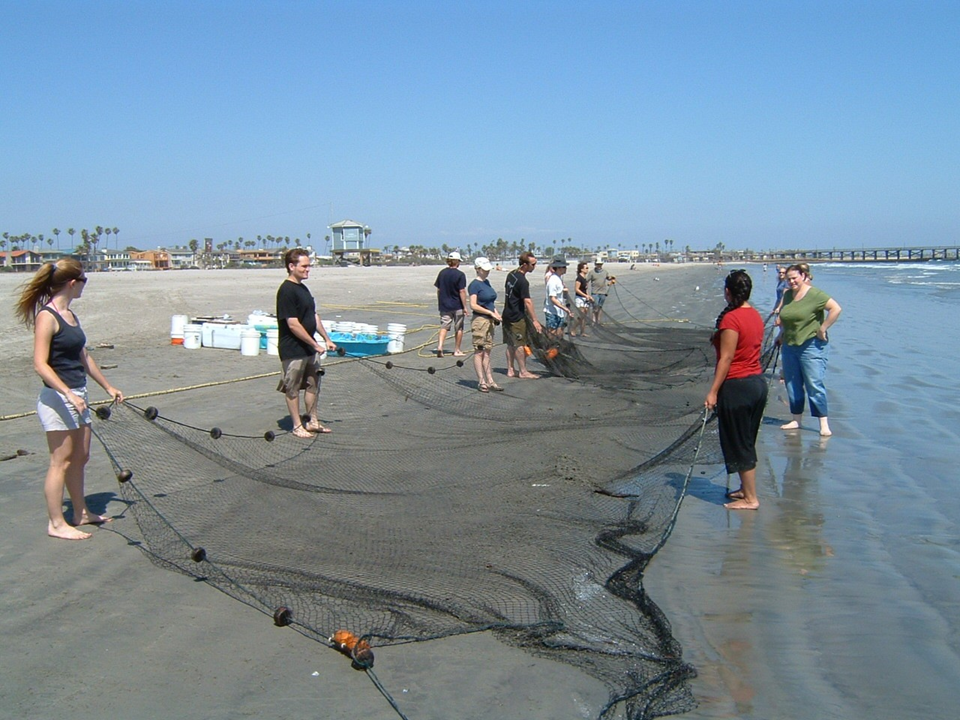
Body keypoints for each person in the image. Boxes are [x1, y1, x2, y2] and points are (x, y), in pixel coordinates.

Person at [15, 259, 124, 540]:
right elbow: (40, 364)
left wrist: (108, 386)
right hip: (57, 397)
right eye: (84, 280)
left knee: (81, 456)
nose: (85, 285)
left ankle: (81, 513)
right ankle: (56, 524)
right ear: (73, 283)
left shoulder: (71, 316)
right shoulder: (47, 316)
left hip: (79, 394)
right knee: (60, 461)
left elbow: (83, 355)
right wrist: (68, 394)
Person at [704, 270, 768, 511]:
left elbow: (727, 358)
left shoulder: (731, 319)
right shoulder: (754, 315)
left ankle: (751, 498)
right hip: (757, 384)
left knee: (739, 443)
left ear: (728, 292)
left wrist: (713, 391)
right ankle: (745, 488)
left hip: (738, 386)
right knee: (747, 440)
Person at [276, 248, 337, 438]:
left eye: (309, 266)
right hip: (292, 350)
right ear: (291, 266)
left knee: (313, 384)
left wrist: (326, 339)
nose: (308, 269)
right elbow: (293, 324)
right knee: (292, 387)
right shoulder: (286, 290)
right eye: (304, 266)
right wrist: (314, 344)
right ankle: (296, 425)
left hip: (310, 349)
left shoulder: (303, 288)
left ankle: (312, 420)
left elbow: (313, 316)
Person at [776, 263, 842, 436]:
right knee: (792, 383)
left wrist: (823, 328)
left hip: (811, 346)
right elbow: (786, 318)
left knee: (814, 383)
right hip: (790, 346)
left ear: (803, 276)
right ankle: (796, 419)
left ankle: (823, 423)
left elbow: (836, 309)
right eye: (788, 279)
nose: (791, 282)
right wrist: (781, 334)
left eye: (794, 278)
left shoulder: (815, 295)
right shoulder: (788, 294)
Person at [502, 251, 543, 379]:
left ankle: (510, 369)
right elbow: (528, 301)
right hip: (516, 316)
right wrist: (535, 320)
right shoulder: (523, 281)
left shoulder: (511, 274)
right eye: (533, 264)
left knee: (510, 343)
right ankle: (523, 371)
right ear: (525, 265)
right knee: (519, 344)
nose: (534, 266)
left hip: (506, 314)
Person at [468, 257, 503, 393]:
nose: (487, 272)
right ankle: (481, 381)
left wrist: (496, 313)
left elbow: (490, 302)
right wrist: (490, 312)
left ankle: (490, 380)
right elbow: (473, 305)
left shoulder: (487, 282)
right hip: (480, 321)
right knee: (479, 351)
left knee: (487, 351)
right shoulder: (474, 285)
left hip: (490, 320)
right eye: (484, 270)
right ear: (478, 269)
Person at [434, 251, 468, 357]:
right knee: (459, 328)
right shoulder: (460, 275)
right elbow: (462, 291)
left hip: (445, 305)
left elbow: (439, 290)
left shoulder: (442, 273)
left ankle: (440, 347)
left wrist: (440, 301)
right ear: (457, 262)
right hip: (457, 305)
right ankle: (457, 350)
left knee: (444, 326)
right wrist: (465, 306)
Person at [543, 256, 569, 339]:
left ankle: (557, 350)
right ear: (558, 268)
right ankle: (549, 350)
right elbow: (552, 298)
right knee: (551, 334)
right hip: (552, 312)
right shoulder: (553, 280)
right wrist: (564, 308)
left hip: (559, 312)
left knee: (559, 333)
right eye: (564, 267)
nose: (565, 269)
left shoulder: (558, 279)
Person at [585, 258, 616, 326]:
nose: (599, 266)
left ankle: (598, 321)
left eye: (600, 264)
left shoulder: (605, 272)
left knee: (600, 307)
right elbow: (586, 281)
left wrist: (612, 278)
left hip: (603, 292)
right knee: (595, 307)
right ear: (595, 264)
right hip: (595, 292)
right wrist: (586, 291)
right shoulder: (591, 272)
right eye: (598, 264)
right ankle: (593, 321)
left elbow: (608, 278)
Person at [572, 261, 593, 337]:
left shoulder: (585, 278)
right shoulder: (579, 278)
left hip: (585, 298)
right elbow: (577, 289)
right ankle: (573, 329)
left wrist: (588, 296)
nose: (587, 269)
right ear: (581, 269)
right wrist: (585, 295)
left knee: (584, 316)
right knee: (580, 315)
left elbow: (586, 289)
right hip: (579, 298)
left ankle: (582, 332)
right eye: (586, 268)